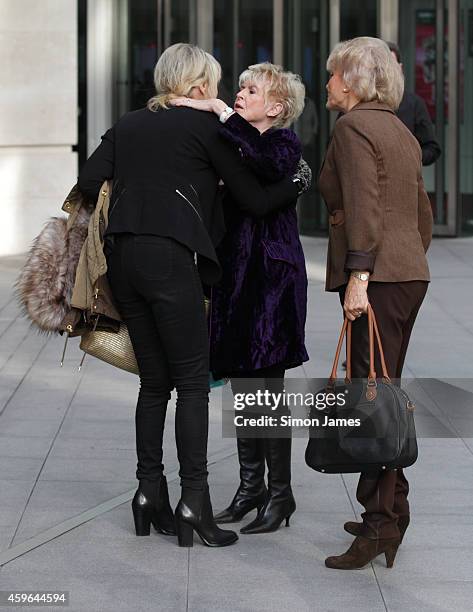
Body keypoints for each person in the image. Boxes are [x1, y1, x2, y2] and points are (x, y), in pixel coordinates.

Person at [77, 43, 305, 548]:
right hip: (170, 261)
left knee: (153, 384)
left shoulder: (131, 123)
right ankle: (193, 503)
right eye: (220, 84)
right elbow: (252, 197)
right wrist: (297, 181)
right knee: (193, 387)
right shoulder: (206, 128)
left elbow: (88, 182)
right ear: (201, 86)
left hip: (122, 263)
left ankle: (147, 493)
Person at [170, 62, 310, 534]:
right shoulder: (235, 138)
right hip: (235, 279)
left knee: (267, 389)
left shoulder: (282, 143)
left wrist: (221, 113)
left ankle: (281, 493)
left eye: (253, 90)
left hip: (272, 280)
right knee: (242, 388)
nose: (241, 94)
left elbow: (269, 167)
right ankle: (252, 488)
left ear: (277, 107)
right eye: (242, 87)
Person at [318, 37, 433, 569]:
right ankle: (393, 511)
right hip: (406, 275)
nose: (327, 84)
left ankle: (378, 526)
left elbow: (363, 204)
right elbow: (422, 213)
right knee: (381, 396)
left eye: (333, 74)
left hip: (379, 277)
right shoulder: (399, 128)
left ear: (354, 81)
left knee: (369, 403)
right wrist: (402, 259)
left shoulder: (354, 127)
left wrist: (360, 274)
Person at [387, 41, 441, 166]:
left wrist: (411, 157)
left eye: (391, 64)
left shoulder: (414, 103)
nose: (387, 71)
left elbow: (432, 148)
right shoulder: (360, 101)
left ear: (400, 68)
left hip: (404, 180)